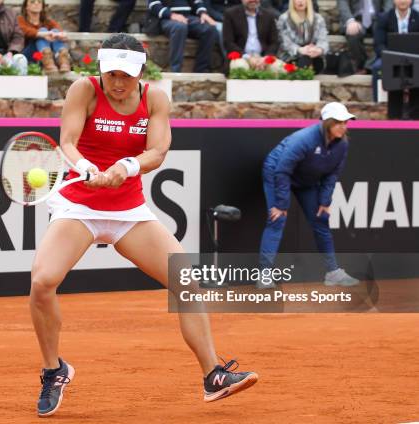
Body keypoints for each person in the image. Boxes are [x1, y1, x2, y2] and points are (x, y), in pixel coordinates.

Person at [29, 33, 257, 418]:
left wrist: (125, 167)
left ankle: (212, 375)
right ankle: (55, 370)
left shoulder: (155, 98)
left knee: (186, 280)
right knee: (41, 282)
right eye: (112, 74)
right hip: (79, 207)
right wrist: (86, 167)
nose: (119, 84)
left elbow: (158, 150)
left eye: (127, 75)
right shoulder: (83, 90)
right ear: (101, 70)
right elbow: (67, 141)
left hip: (128, 210)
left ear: (141, 71)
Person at [258, 102, 360, 289]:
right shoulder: (304, 139)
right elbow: (282, 170)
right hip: (277, 172)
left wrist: (324, 201)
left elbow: (332, 174)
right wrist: (282, 204)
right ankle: (264, 275)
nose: (344, 127)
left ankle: (333, 273)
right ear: (327, 122)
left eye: (346, 122)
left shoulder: (342, 144)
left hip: (306, 179)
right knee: (277, 219)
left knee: (321, 218)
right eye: (339, 122)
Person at [147, 0, 220, 72]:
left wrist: (203, 13)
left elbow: (197, 2)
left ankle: (201, 70)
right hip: (166, 18)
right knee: (180, 27)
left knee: (209, 29)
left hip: (188, 17)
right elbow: (154, 5)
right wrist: (171, 15)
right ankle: (175, 70)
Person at [372, 0, 419, 100]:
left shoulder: (418, 17)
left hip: (415, 58)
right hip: (390, 57)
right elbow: (379, 44)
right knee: (377, 67)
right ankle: (379, 103)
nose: (402, 1)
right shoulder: (384, 18)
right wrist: (389, 56)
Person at [337, 0, 393, 73]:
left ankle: (369, 66)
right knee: (353, 35)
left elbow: (388, 3)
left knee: (386, 36)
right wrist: (350, 20)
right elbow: (342, 3)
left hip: (377, 18)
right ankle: (361, 65)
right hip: (356, 19)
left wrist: (386, 18)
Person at [223, 0, 280, 70]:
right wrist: (247, 57)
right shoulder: (231, 14)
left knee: (278, 67)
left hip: (263, 58)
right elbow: (228, 42)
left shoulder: (269, 15)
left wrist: (266, 57)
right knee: (240, 67)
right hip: (241, 56)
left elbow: (274, 42)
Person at [17, 0, 71, 74]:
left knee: (54, 31)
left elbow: (59, 30)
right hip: (29, 54)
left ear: (42, 6)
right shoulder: (21, 20)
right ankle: (47, 61)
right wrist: (43, 34)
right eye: (32, 2)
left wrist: (59, 35)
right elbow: (25, 31)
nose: (36, 4)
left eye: (39, 2)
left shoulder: (47, 22)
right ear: (26, 6)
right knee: (43, 32)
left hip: (48, 55)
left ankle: (62, 60)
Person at [277, 0, 329, 73]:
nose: (300, 1)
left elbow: (323, 39)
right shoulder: (284, 18)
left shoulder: (318, 18)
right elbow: (284, 42)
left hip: (313, 56)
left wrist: (319, 49)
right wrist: (300, 50)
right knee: (304, 60)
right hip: (291, 57)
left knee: (312, 60)